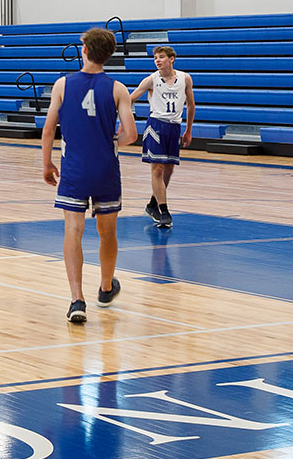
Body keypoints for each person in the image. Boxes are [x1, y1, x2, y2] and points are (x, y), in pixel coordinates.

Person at [41, 28, 137, 324]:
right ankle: (106, 288)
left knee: (73, 230)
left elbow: (48, 130)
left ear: (84, 50)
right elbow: (131, 135)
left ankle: (76, 299)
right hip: (105, 168)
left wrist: (46, 164)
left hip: (75, 168)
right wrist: (112, 141)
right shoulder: (118, 88)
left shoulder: (62, 85)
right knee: (107, 231)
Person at [130, 45, 194, 229]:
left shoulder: (185, 78)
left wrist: (188, 130)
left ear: (171, 59)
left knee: (168, 170)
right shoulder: (151, 79)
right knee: (157, 168)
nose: (157, 60)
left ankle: (152, 205)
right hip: (156, 126)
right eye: (155, 58)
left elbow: (191, 105)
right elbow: (131, 98)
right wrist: (121, 116)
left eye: (161, 57)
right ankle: (164, 211)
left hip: (174, 127)